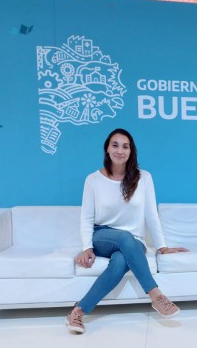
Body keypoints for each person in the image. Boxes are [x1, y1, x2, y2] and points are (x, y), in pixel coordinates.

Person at [66, 128, 188, 334]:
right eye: (115, 145)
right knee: (124, 237)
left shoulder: (144, 178)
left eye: (125, 146)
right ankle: (156, 295)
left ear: (131, 151)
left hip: (134, 242)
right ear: (107, 148)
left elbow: (151, 214)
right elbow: (86, 217)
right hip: (102, 236)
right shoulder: (93, 180)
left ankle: (78, 311)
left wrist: (162, 246)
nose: (120, 150)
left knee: (122, 260)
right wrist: (87, 247)